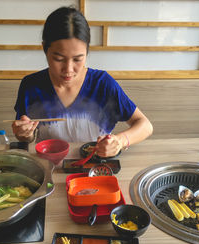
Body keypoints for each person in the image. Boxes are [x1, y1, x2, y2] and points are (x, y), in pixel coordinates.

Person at [12, 6, 153, 157]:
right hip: (50, 167)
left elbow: (145, 125)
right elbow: (26, 137)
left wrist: (119, 141)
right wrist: (24, 134)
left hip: (95, 169)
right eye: (58, 59)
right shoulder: (31, 85)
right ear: (45, 49)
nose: (68, 69)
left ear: (87, 51)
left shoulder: (102, 84)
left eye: (78, 59)